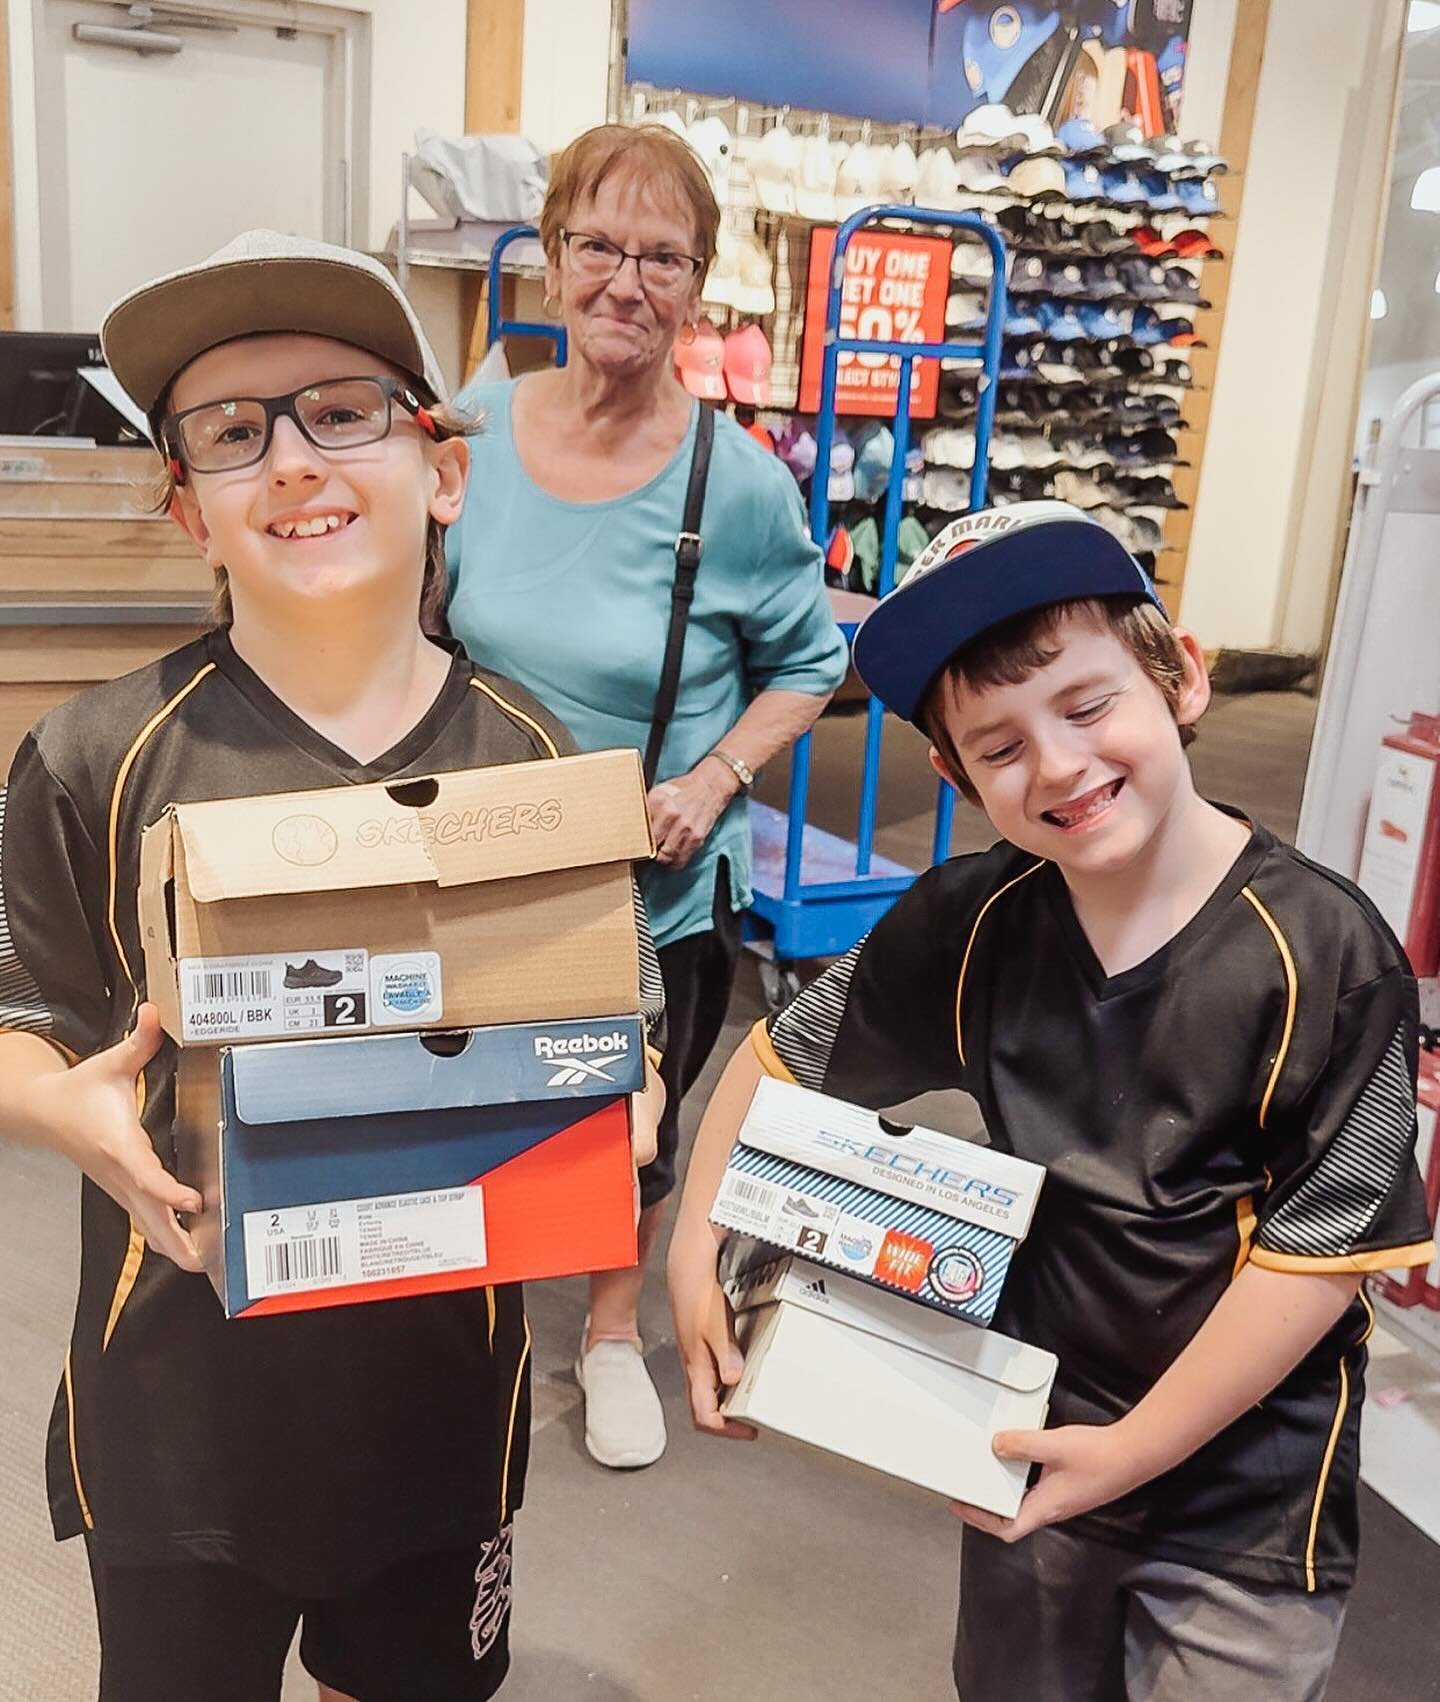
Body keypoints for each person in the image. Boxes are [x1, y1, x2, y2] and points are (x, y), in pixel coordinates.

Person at [0, 230, 663, 1702]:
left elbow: (624, 1008)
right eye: (233, 433)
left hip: (442, 1413)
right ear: (191, 511)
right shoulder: (92, 755)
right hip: (179, 1411)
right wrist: (61, 1107)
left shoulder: (536, 760)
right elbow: (15, 1007)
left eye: (342, 412)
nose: (292, 460)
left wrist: (634, 1093)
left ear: (444, 469)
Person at [667, 499, 1435, 1702]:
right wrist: (691, 1248)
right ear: (955, 774)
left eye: (1086, 705)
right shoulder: (971, 921)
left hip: (1243, 1509)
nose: (1061, 765)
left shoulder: (1326, 951)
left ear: (1180, 676)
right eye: (1001, 746)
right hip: (1022, 1443)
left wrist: (1133, 1450)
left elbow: (1319, 1260)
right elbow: (775, 1062)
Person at [446, 123, 848, 1471]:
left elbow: (811, 661)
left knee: (632, 1115)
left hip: (651, 882)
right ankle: (468, 1310)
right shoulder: (478, 428)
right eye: (599, 245)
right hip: (485, 860)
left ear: (697, 285)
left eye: (661, 257)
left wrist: (716, 775)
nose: (626, 280)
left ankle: (612, 1332)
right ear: (552, 257)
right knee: (479, 1094)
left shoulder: (737, 482)